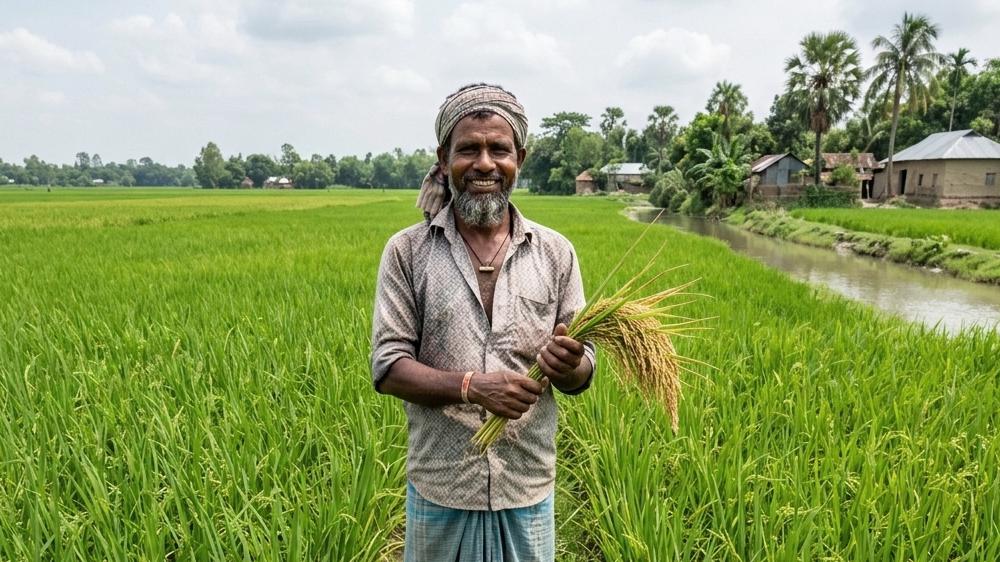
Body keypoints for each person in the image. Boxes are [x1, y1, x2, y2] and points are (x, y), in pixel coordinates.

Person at [370, 83, 595, 561]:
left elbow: (581, 374)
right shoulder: (407, 252)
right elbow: (388, 368)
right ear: (444, 158)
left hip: (525, 486)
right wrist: (472, 387)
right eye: (469, 149)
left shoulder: (555, 253)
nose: (485, 164)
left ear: (520, 159)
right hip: (441, 487)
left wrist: (570, 364)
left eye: (499, 150)